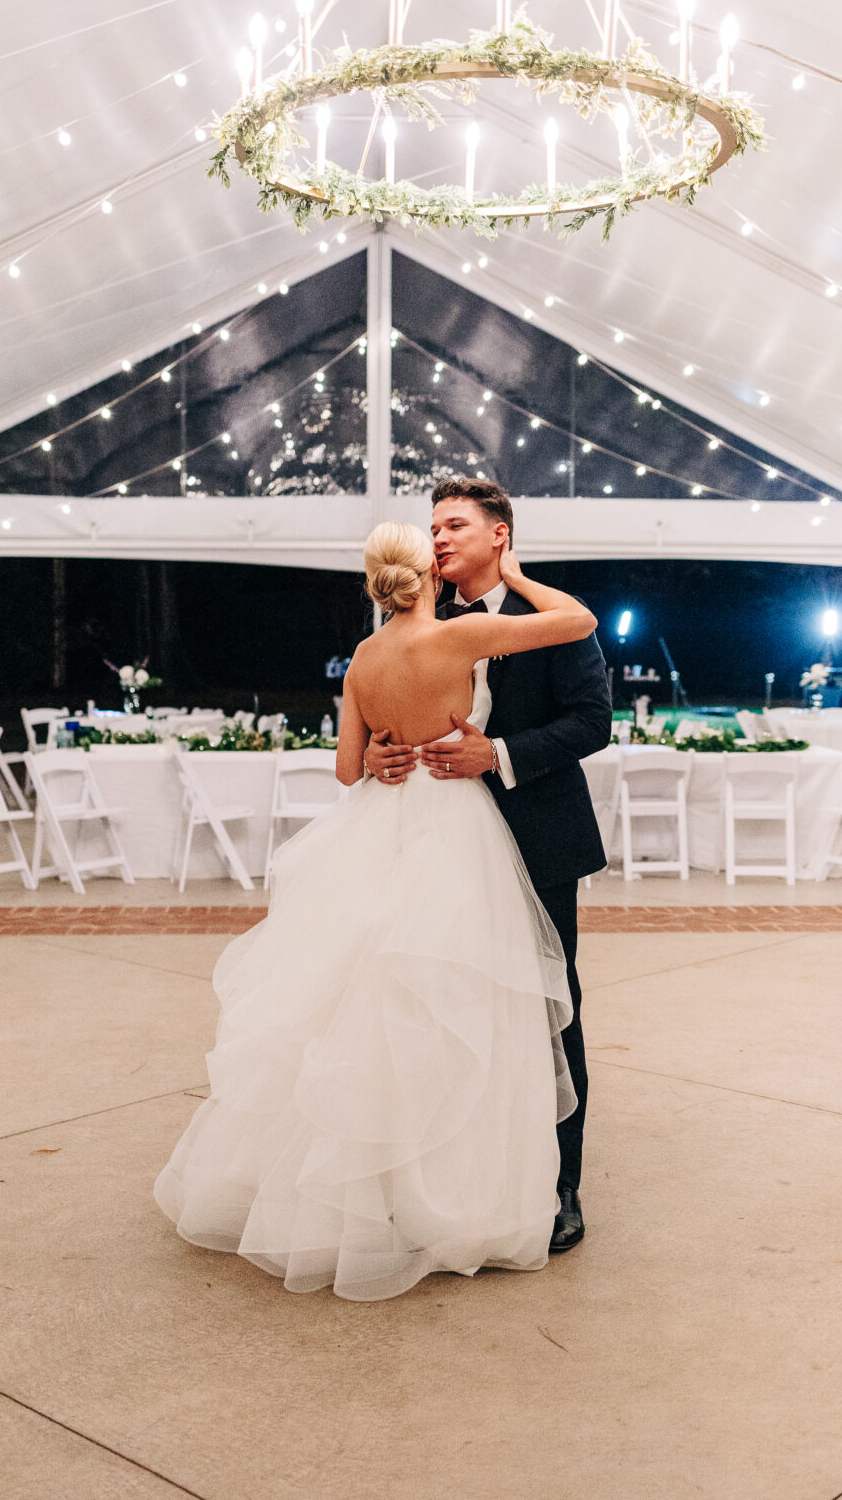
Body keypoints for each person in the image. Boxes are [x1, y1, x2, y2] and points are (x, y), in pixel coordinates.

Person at [154, 520, 597, 1301]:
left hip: (381, 826)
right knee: (456, 997)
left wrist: (387, 758)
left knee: (363, 998)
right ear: (429, 571)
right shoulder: (459, 637)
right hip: (456, 823)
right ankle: (451, 1182)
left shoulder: (364, 656)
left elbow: (349, 766)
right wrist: (519, 574)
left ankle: (374, 1192)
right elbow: (579, 622)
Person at [365, 479, 612, 1254]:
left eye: (455, 525)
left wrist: (495, 754)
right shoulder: (411, 619)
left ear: (499, 535)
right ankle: (456, 1172)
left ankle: (558, 1186)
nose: (438, 537)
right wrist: (377, 752)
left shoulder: (552, 617)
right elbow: (376, 715)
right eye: (432, 527)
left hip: (536, 835)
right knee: (440, 1004)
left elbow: (592, 722)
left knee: (546, 1007)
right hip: (438, 845)